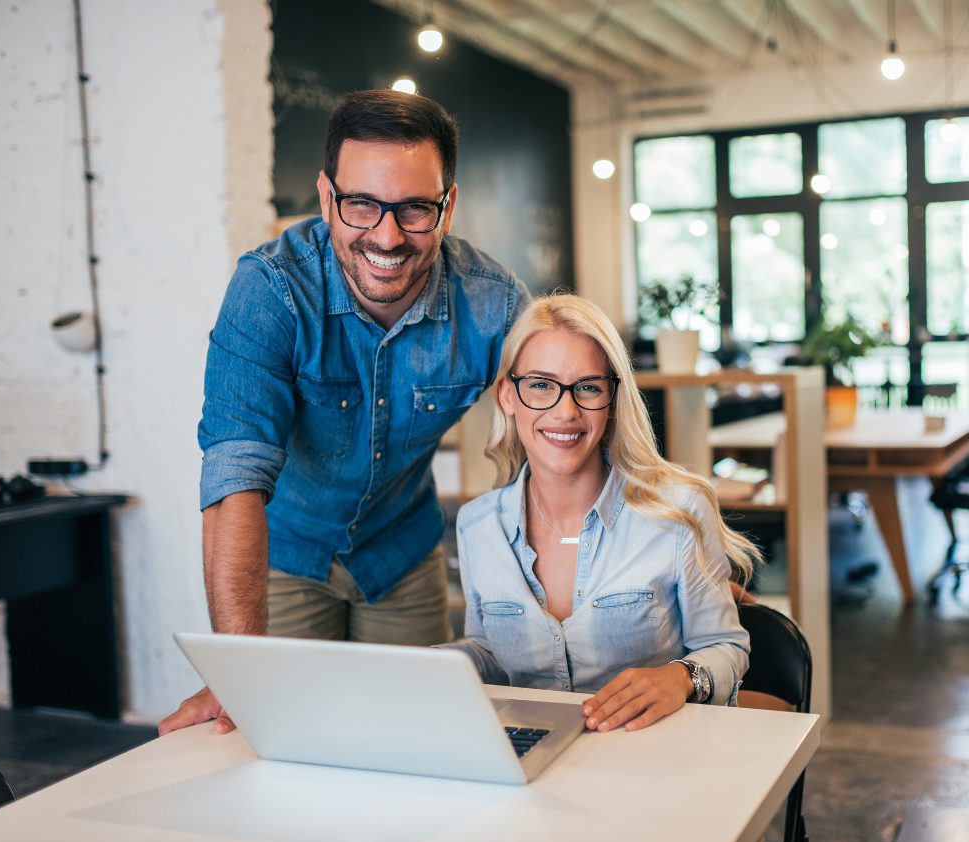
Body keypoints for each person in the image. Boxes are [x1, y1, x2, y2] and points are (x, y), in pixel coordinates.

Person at [159, 90, 528, 736]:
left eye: (415, 209)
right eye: (362, 205)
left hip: (402, 554)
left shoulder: (492, 304)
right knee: (281, 742)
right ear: (327, 197)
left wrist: (677, 553)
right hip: (284, 554)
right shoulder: (270, 290)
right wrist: (238, 671)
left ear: (448, 205)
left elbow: (573, 429)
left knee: (418, 741)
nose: (387, 237)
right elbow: (233, 477)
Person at [440, 294, 756, 733]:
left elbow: (726, 646)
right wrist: (434, 664)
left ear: (611, 400)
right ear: (508, 396)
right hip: (531, 758)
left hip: (651, 758)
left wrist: (681, 678)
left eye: (588, 387)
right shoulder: (477, 526)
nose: (565, 412)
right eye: (541, 385)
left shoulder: (678, 512)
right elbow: (491, 654)